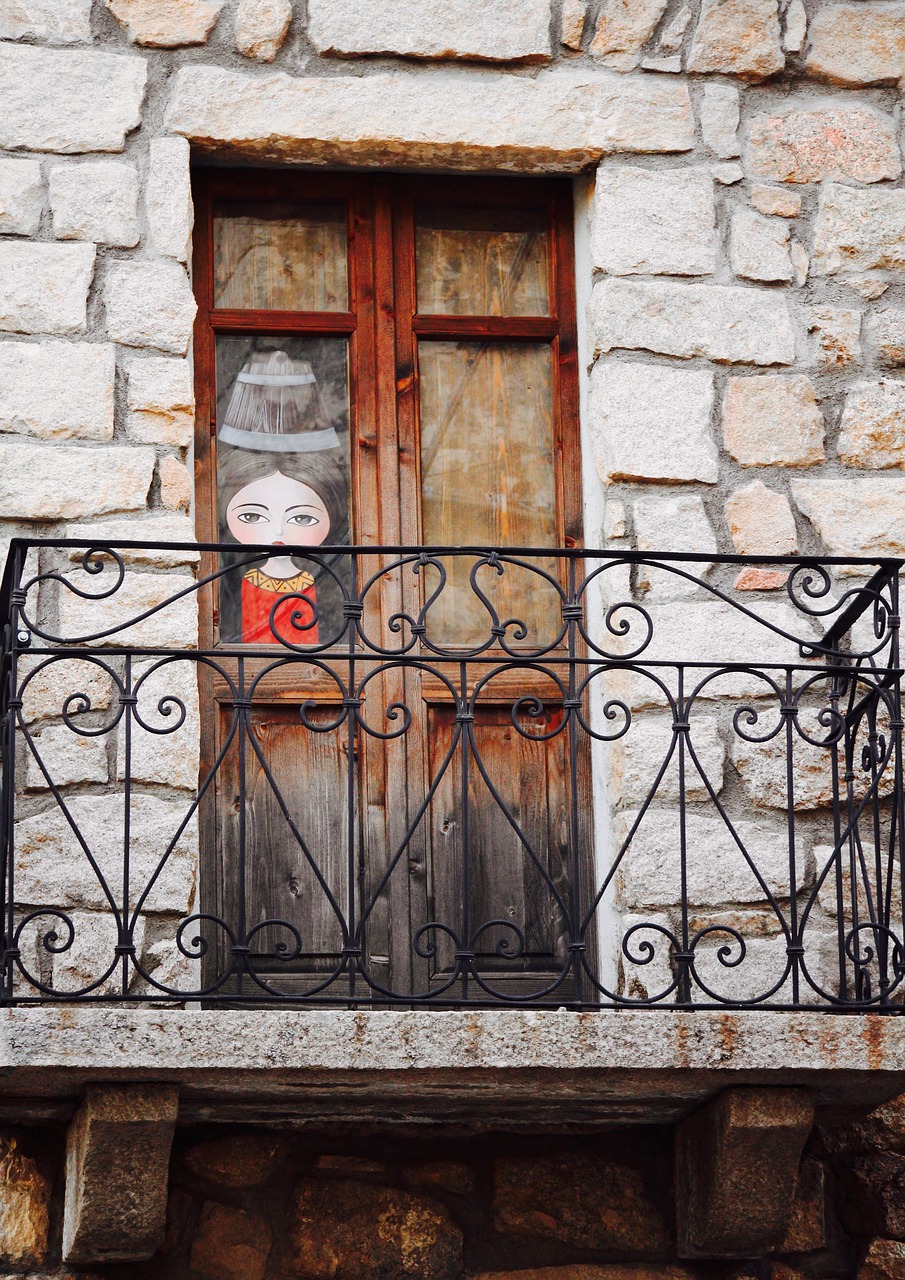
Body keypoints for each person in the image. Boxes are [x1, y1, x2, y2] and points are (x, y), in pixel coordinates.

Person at [216, 350, 349, 644]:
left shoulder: (307, 581)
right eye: (252, 516)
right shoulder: (250, 580)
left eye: (301, 517)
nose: (278, 532)